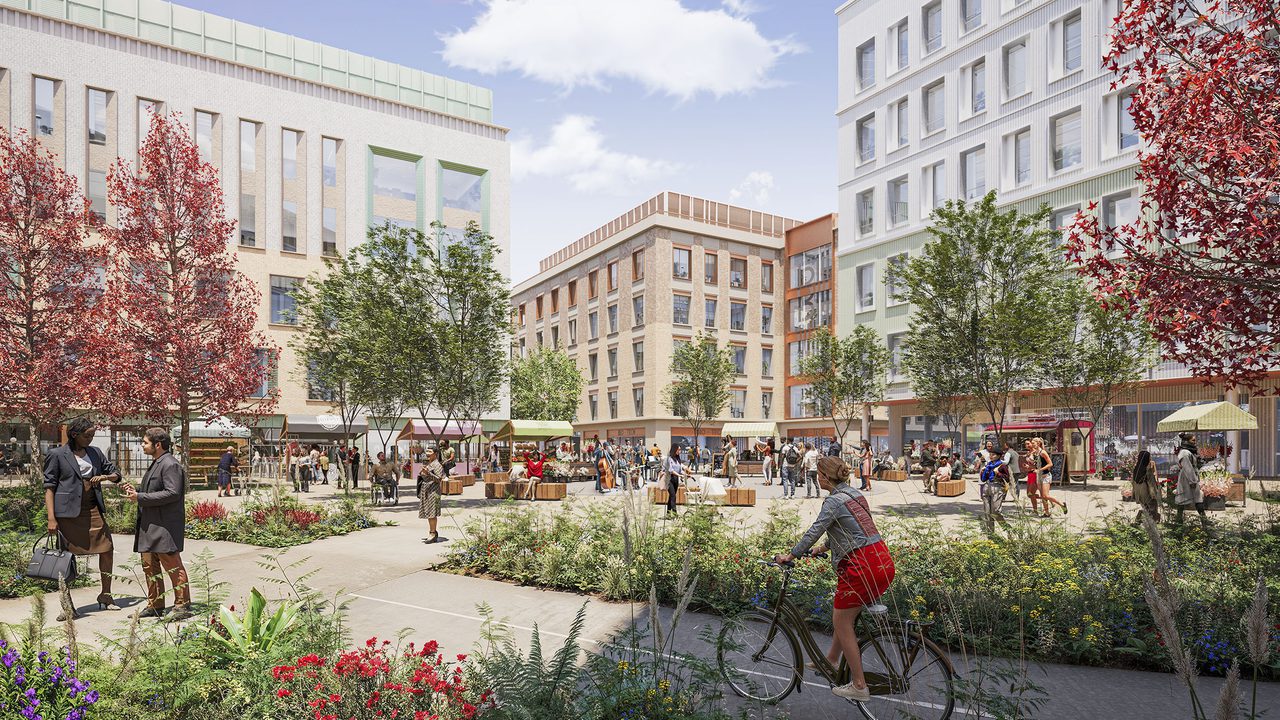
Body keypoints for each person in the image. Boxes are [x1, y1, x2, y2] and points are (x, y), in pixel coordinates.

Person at [774, 457, 895, 702]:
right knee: (845, 615)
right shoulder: (855, 495)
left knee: (841, 621)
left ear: (825, 477)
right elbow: (857, 529)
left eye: (818, 474)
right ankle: (830, 660)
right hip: (882, 561)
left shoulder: (833, 501)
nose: (817, 477)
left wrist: (791, 555)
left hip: (861, 566)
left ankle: (859, 686)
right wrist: (826, 547)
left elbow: (815, 529)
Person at [43, 417, 124, 620]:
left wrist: (107, 477)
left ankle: (106, 595)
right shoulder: (57, 455)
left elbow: (115, 474)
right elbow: (49, 487)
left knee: (107, 549)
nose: (90, 439)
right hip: (67, 514)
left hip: (92, 508)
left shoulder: (95, 453)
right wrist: (51, 518)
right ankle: (67, 605)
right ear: (74, 435)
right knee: (65, 558)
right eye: (87, 436)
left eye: (92, 436)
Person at [124, 427, 191, 621]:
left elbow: (173, 493)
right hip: (150, 526)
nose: (142, 446)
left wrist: (141, 496)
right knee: (149, 567)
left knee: (172, 565)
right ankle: (155, 605)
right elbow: (155, 490)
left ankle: (182, 605)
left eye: (145, 442)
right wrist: (136, 492)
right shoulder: (157, 463)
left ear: (158, 445)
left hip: (164, 527)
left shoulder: (170, 464)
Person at [1175, 433, 1210, 529]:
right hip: (1187, 480)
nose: (1195, 442)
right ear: (1186, 441)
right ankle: (1178, 524)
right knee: (1183, 502)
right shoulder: (1185, 453)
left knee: (1198, 501)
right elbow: (1188, 468)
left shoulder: (1188, 452)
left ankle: (1204, 522)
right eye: (1193, 440)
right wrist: (1193, 481)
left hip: (1190, 479)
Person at [1031, 438, 1067, 517]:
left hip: (1045, 476)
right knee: (1042, 495)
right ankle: (1046, 513)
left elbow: (1050, 464)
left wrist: (1039, 470)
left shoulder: (1042, 452)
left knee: (1045, 495)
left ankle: (1062, 504)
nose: (1032, 445)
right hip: (1039, 476)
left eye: (1033, 443)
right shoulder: (1035, 453)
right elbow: (1037, 464)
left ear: (1038, 443)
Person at [418, 447, 444, 543]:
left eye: (430, 451)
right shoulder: (429, 463)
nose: (427, 453)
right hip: (426, 490)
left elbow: (438, 479)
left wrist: (428, 473)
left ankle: (432, 533)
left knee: (432, 513)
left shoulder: (437, 465)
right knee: (429, 512)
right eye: (427, 451)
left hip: (433, 491)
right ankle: (432, 532)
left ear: (435, 453)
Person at [979, 454, 1010, 534]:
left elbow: (1007, 478)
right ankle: (990, 533)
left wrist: (998, 473)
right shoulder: (989, 465)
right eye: (990, 454)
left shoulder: (1002, 466)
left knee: (995, 511)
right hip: (987, 487)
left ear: (998, 456)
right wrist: (983, 472)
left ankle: (1007, 529)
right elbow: (983, 479)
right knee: (987, 512)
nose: (991, 456)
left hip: (997, 487)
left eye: (993, 454)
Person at [1131, 449, 1161, 524]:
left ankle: (1142, 522)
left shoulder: (1136, 469)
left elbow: (1133, 483)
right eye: (1149, 458)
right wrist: (1155, 494)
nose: (1150, 459)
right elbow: (1151, 484)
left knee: (1146, 508)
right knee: (1152, 508)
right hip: (1147, 492)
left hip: (1139, 493)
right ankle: (1148, 523)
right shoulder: (1147, 470)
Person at [662, 444, 687, 516]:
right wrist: (679, 475)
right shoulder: (668, 459)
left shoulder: (677, 459)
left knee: (671, 496)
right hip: (669, 479)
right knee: (673, 496)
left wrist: (684, 474)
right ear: (674, 450)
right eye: (678, 449)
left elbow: (679, 470)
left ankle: (668, 513)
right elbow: (671, 470)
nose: (680, 451)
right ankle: (675, 513)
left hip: (675, 480)